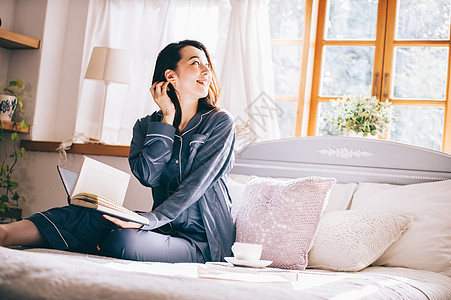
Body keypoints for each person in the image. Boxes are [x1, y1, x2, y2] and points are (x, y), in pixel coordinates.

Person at [0, 40, 236, 263]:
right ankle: (5, 233)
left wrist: (147, 220)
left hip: (202, 239)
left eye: (208, 64)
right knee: (88, 214)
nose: (207, 71)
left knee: (123, 239)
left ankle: (89, 239)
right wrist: (166, 120)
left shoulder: (220, 123)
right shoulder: (146, 126)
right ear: (170, 76)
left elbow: (195, 187)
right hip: (161, 228)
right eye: (196, 63)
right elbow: (148, 176)